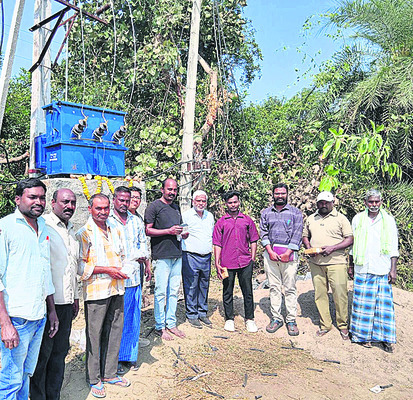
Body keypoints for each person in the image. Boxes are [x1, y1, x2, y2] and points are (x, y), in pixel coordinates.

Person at [0, 178, 58, 399]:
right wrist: (5, 323)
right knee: (10, 380)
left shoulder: (43, 226)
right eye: (32, 197)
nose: (39, 202)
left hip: (38, 317)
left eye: (42, 197)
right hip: (17, 318)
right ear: (17, 199)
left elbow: (46, 273)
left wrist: (51, 311)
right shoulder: (6, 227)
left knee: (25, 374)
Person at [76, 194, 130, 398]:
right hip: (96, 290)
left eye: (106, 208)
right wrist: (107, 270)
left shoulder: (115, 228)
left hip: (117, 287)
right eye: (98, 208)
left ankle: (110, 373)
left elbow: (123, 255)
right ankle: (94, 378)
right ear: (90, 209)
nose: (103, 212)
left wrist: (126, 268)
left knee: (115, 330)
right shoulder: (84, 233)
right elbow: (80, 266)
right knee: (94, 334)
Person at [30, 189, 80, 400]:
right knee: (42, 357)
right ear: (53, 203)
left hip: (66, 303)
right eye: (65, 202)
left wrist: (75, 297)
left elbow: (72, 267)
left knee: (60, 354)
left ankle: (54, 396)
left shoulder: (73, 231)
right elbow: (42, 269)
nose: (69, 206)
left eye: (73, 202)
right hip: (47, 305)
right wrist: (50, 309)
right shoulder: (43, 226)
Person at [349, 189, 398, 352]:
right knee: (362, 305)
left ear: (381, 202)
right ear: (365, 203)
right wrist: (350, 265)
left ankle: (384, 338)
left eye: (377, 202)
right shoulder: (358, 219)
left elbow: (393, 246)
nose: (374, 205)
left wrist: (393, 269)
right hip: (362, 267)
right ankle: (363, 337)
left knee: (382, 307)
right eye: (371, 202)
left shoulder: (389, 221)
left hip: (382, 268)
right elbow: (352, 245)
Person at [108, 186, 150, 375]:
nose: (124, 203)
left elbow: (143, 244)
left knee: (132, 318)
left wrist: (145, 260)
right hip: (114, 281)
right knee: (116, 320)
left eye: (128, 200)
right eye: (121, 200)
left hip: (133, 279)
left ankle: (128, 356)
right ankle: (112, 358)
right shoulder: (107, 220)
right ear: (114, 199)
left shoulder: (136, 221)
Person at [303, 191, 353, 339]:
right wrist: (308, 247)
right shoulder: (312, 218)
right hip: (316, 262)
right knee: (320, 294)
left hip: (336, 262)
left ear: (332, 203)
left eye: (326, 202)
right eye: (320, 202)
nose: (323, 205)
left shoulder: (341, 218)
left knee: (340, 294)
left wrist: (333, 248)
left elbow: (350, 239)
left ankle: (343, 325)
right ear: (317, 203)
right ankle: (325, 325)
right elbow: (305, 236)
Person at [144, 178, 188, 340]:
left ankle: (171, 323)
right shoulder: (154, 207)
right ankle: (159, 326)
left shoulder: (176, 208)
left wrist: (184, 232)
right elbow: (148, 231)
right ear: (162, 190)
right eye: (169, 189)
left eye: (175, 190)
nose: (172, 192)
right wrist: (167, 231)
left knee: (174, 291)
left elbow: (181, 228)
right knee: (161, 292)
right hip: (162, 256)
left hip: (177, 254)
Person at [213, 190, 260, 333]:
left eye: (235, 202)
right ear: (226, 204)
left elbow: (253, 239)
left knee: (248, 290)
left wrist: (252, 257)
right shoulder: (221, 222)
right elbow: (217, 243)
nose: (233, 205)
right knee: (227, 290)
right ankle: (229, 319)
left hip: (245, 262)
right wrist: (217, 262)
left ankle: (250, 319)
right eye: (230, 202)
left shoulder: (246, 220)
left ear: (239, 202)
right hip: (227, 263)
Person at [260, 183, 303, 336]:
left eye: (282, 193)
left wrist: (288, 252)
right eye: (277, 193)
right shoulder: (266, 212)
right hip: (271, 255)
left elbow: (298, 234)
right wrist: (269, 251)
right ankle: (276, 318)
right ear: (273, 195)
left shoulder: (295, 213)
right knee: (274, 287)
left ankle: (291, 320)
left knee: (290, 288)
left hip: (289, 256)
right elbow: (263, 233)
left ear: (287, 194)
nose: (279, 196)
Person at [181, 190, 215, 329]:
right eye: (198, 201)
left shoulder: (210, 216)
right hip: (191, 255)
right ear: (193, 201)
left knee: (204, 285)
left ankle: (202, 312)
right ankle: (192, 314)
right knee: (191, 285)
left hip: (206, 256)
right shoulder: (186, 215)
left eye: (203, 201)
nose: (201, 203)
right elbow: (182, 234)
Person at [128, 186, 151, 308]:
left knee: (137, 292)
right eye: (132, 197)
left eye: (137, 198)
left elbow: (143, 243)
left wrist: (147, 265)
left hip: (139, 264)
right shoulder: (120, 218)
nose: (135, 200)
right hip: (126, 264)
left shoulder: (139, 218)